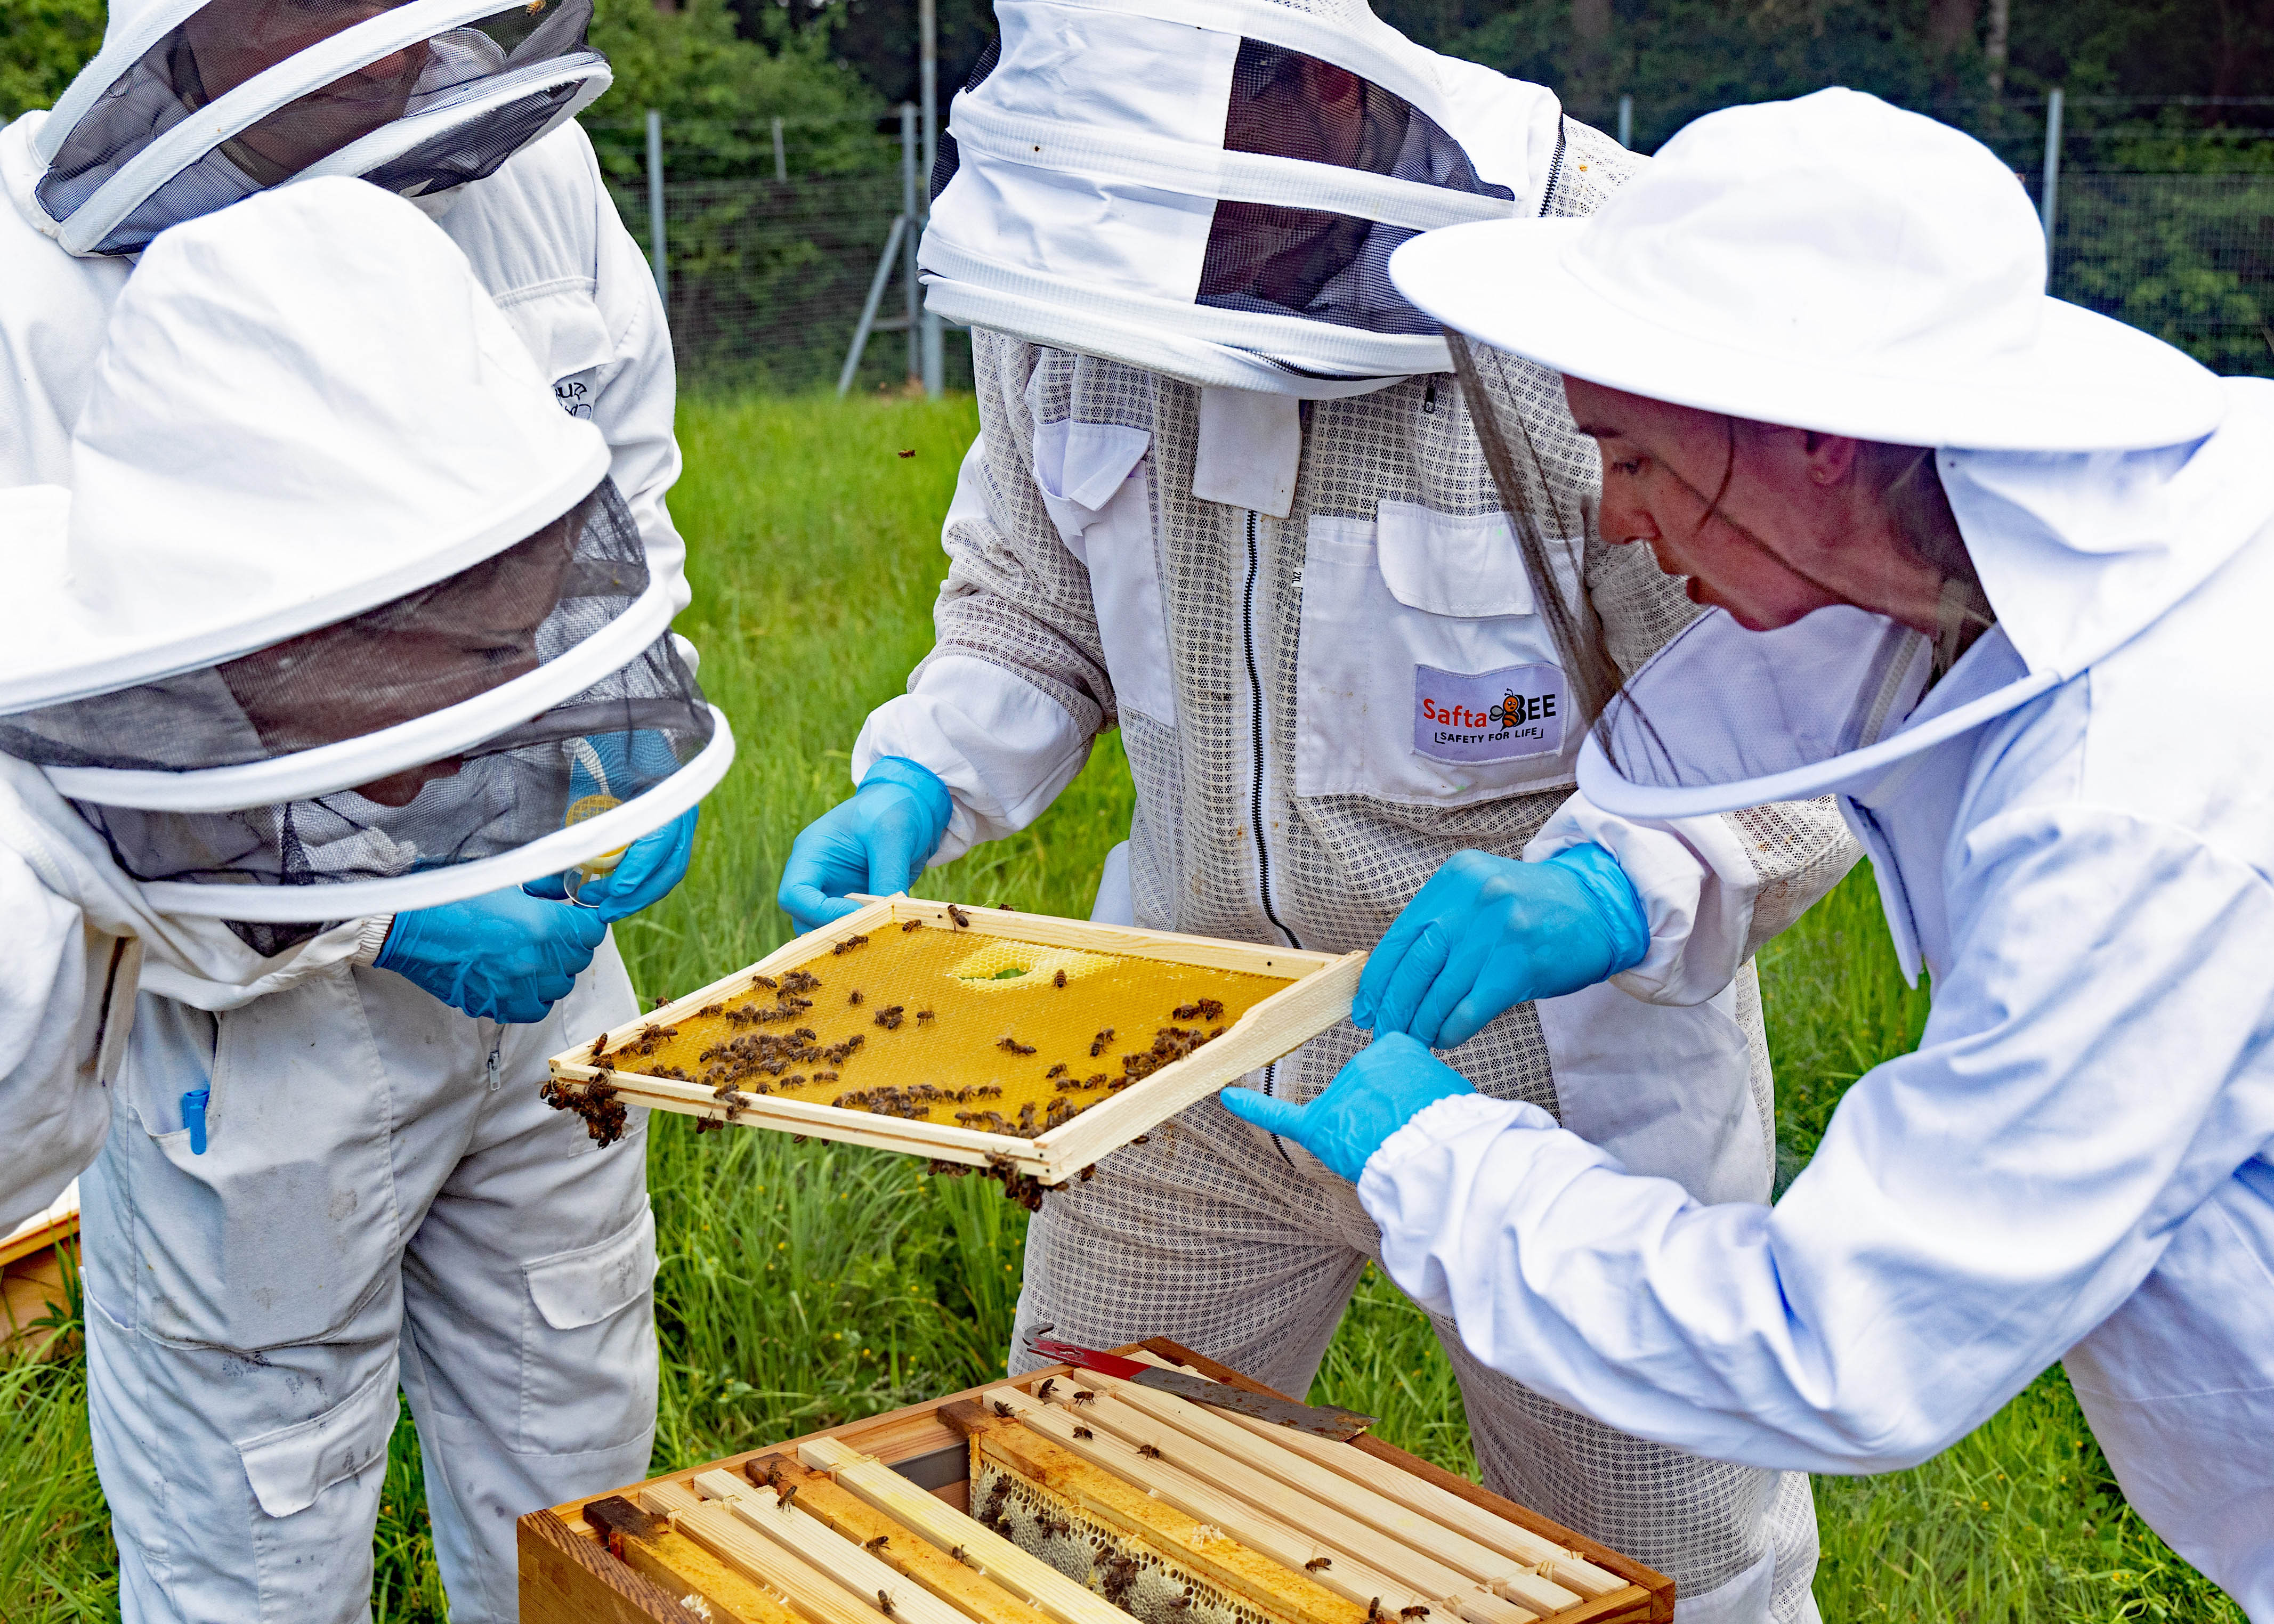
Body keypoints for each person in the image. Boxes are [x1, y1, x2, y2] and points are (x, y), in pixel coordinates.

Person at [782, 7, 1859, 1618]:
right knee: (1076, 1501)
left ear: (1323, 86)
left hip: (1556, 1064)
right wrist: (923, 771)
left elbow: (1805, 686)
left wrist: (1609, 891)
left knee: (1672, 1561)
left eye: (1224, 222)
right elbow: (1027, 596)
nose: (1182, 270)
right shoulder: (1081, 242)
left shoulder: (1613, 278)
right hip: (1181, 1031)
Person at [1223, 88, 2274, 1619]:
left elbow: (1848, 1341)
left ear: (1815, 440)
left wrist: (1438, 1157)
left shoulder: (2135, 801)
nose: (1621, 522)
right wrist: (1612, 879)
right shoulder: (2082, 531)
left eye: (1632, 457)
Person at [2, 7, 692, 1618]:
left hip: (553, 970)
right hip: (245, 1033)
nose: (393, 49)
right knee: (256, 1522)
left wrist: (627, 730)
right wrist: (377, 906)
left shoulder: (534, 178)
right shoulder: (22, 281)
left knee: (579, 1466)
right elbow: (71, 720)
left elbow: (621, 485)